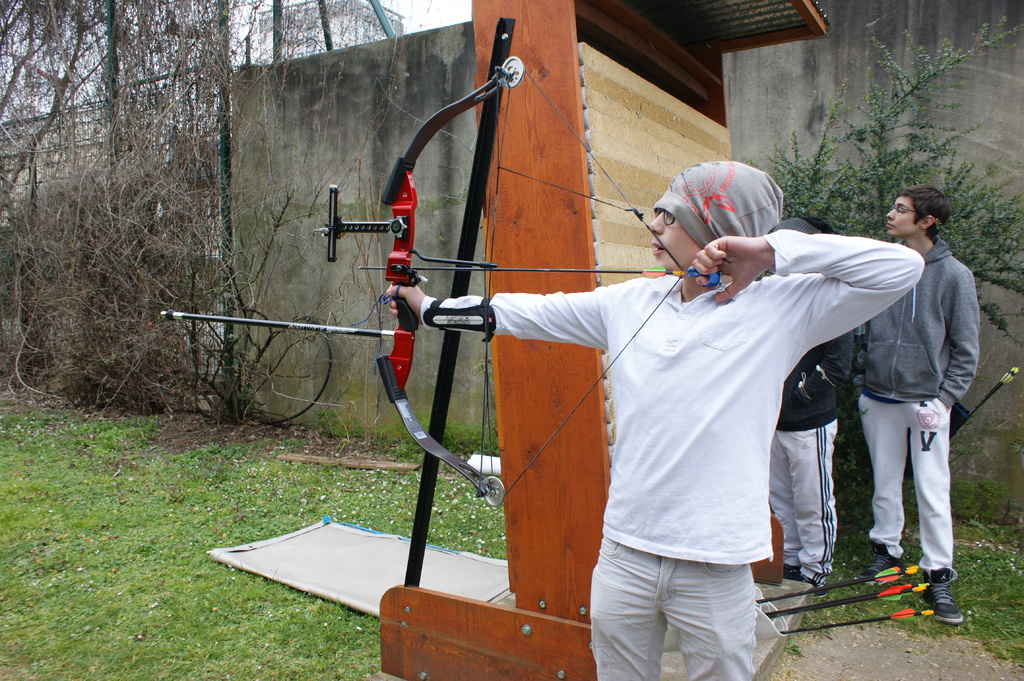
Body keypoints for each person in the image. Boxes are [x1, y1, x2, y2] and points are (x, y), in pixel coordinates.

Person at [388, 161, 923, 680]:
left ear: (717, 231)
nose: (654, 225)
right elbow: (519, 312)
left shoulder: (783, 306)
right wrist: (428, 307)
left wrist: (766, 251)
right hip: (625, 552)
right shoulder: (630, 302)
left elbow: (902, 267)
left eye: (671, 216)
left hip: (716, 562)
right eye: (658, 213)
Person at [855, 185, 980, 626]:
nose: (891, 215)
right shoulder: (885, 264)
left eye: (901, 210)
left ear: (926, 221)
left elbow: (966, 347)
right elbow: (862, 325)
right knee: (885, 481)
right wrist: (861, 381)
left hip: (926, 402)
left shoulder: (954, 276)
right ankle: (886, 551)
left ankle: (938, 573)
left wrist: (943, 400)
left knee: (932, 488)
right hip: (878, 397)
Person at [767, 217, 853, 589]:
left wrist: (800, 395)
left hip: (809, 421)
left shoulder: (833, 297)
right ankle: (788, 560)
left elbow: (838, 365)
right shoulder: (773, 291)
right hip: (773, 420)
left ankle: (816, 567)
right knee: (780, 497)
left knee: (812, 499)